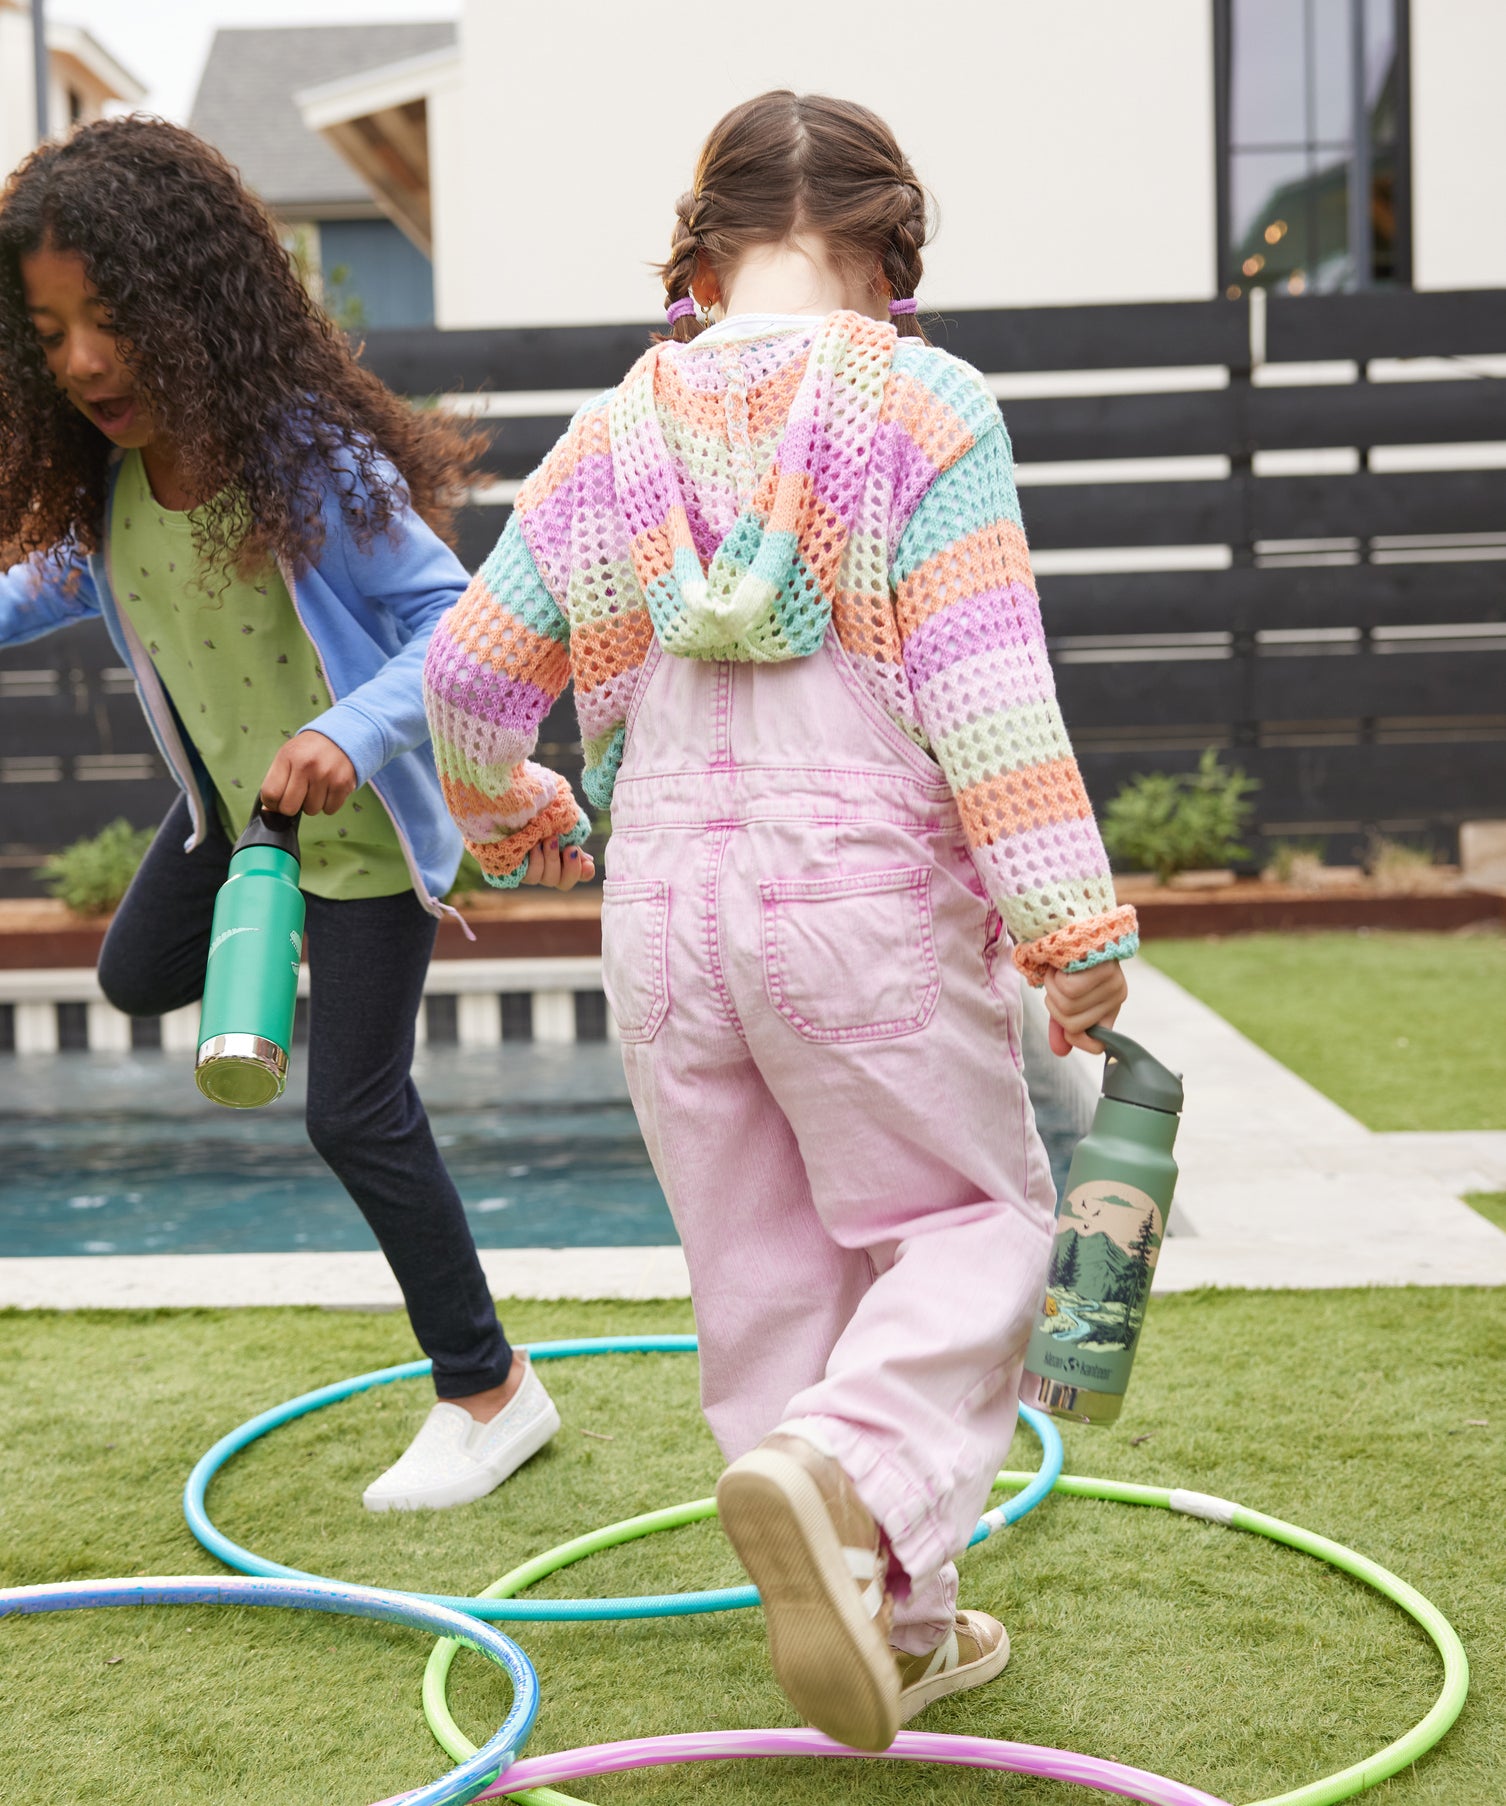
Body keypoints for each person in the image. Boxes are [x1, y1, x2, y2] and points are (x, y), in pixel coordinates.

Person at [423, 91, 1135, 1747]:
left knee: (763, 1265)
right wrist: (1070, 927)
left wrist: (507, 805)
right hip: (857, 908)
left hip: (663, 906)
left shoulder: (610, 432)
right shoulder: (923, 403)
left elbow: (468, 671)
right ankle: (839, 1469)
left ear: (701, 250)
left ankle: (896, 1618)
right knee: (969, 1226)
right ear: (891, 250)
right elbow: (985, 694)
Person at [0, 118, 578, 1512]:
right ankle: (254, 916)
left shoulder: (308, 460)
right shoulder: (115, 492)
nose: (82, 360)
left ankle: (489, 1387)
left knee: (352, 1109)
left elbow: (451, 615)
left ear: (192, 303)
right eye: (50, 331)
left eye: (111, 318)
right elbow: (39, 590)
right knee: (135, 978)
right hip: (234, 822)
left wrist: (345, 730)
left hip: (362, 841)